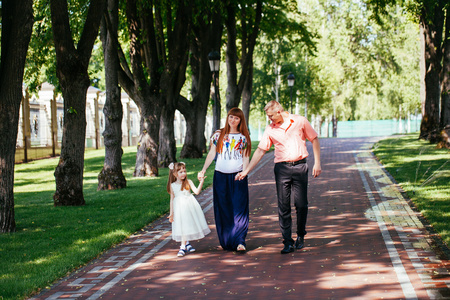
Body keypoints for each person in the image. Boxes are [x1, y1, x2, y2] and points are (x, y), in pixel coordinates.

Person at [236, 100, 321, 254]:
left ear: (279, 111)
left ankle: (301, 235)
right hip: (282, 169)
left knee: (301, 205)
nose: (269, 119)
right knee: (283, 206)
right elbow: (261, 151)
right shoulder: (270, 129)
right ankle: (287, 241)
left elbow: (314, 139)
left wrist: (317, 163)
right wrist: (246, 170)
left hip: (301, 166)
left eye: (271, 116)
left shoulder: (300, 121)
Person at [198, 107, 251, 252]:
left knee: (240, 208)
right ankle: (227, 239)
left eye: (236, 118)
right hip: (220, 176)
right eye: (231, 117)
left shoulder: (244, 137)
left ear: (240, 120)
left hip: (238, 176)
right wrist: (203, 169)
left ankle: (240, 241)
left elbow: (246, 157)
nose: (232, 120)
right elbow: (211, 154)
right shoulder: (218, 135)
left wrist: (244, 172)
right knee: (223, 207)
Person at [167, 162, 211, 257]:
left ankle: (183, 246)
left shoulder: (188, 182)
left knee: (187, 225)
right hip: (179, 208)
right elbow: (172, 200)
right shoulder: (173, 185)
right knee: (182, 226)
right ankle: (186, 244)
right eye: (181, 172)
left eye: (184, 171)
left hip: (189, 206)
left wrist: (201, 182)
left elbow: (197, 192)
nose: (183, 173)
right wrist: (171, 213)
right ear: (175, 174)